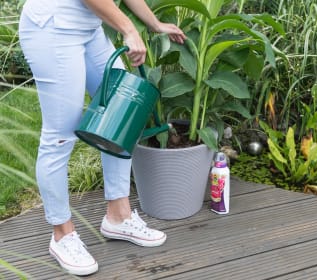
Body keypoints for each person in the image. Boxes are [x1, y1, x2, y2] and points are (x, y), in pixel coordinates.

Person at [18, 0, 186, 276]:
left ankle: (118, 216)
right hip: (52, 28)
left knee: (123, 113)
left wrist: (153, 23)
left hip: (90, 27)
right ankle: (62, 235)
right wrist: (128, 28)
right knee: (60, 135)